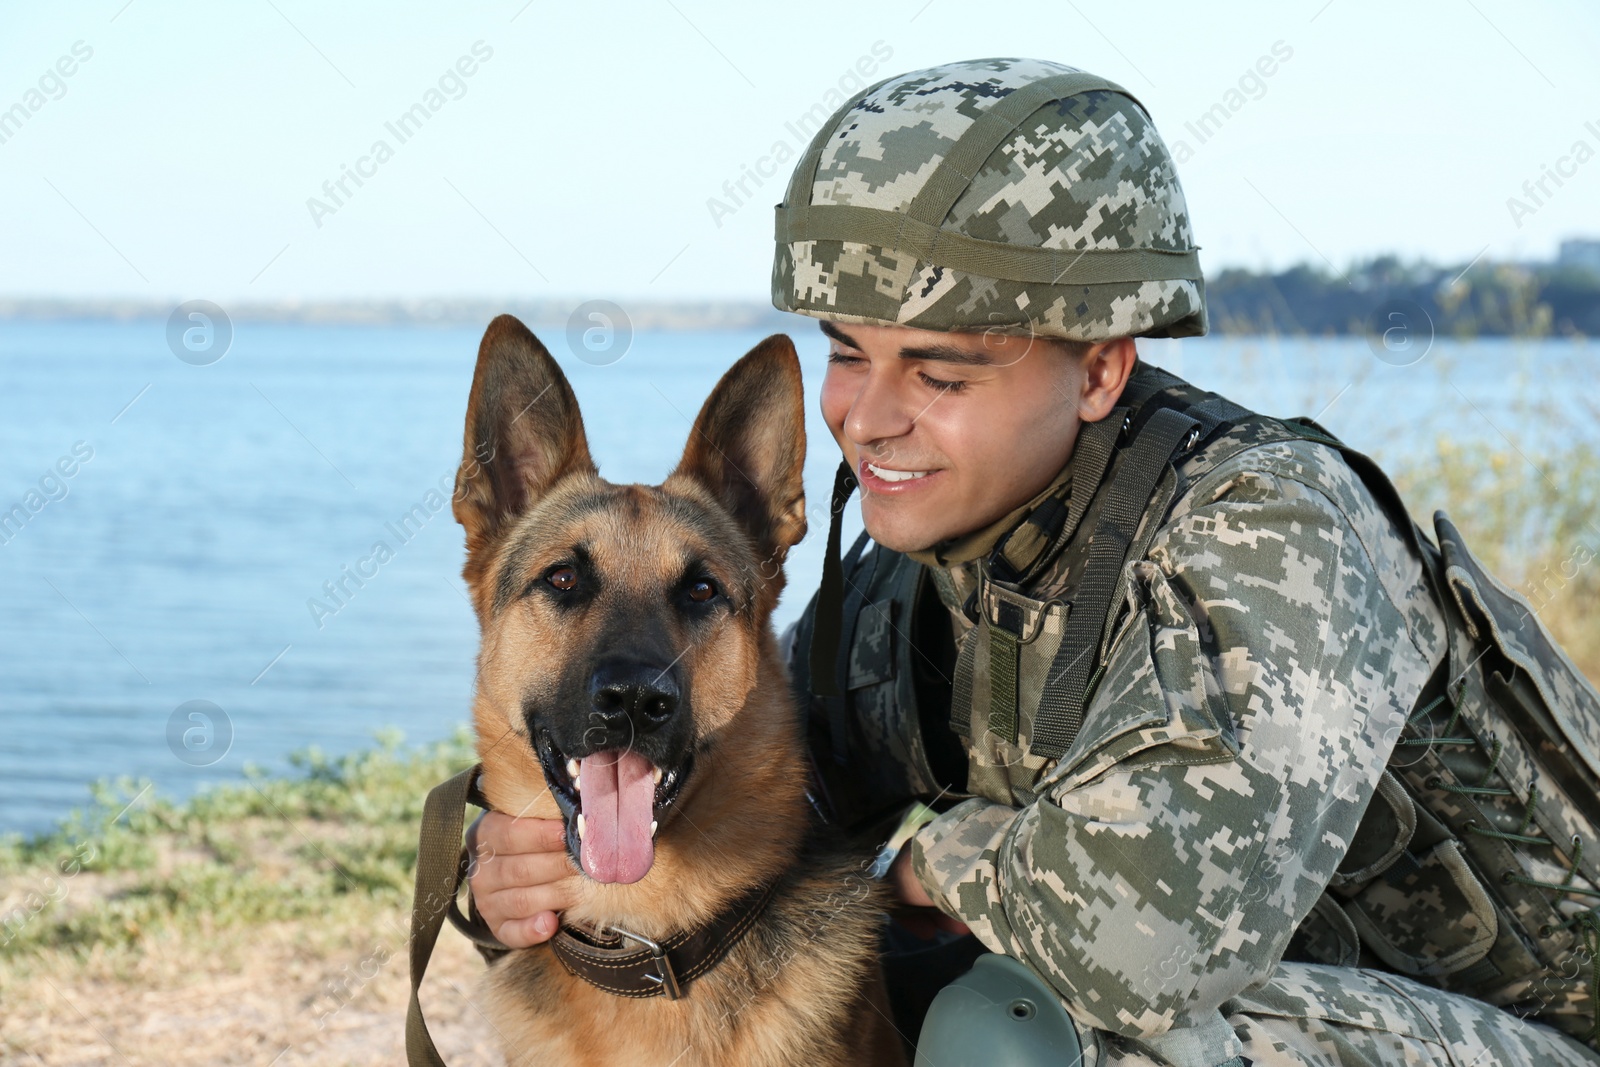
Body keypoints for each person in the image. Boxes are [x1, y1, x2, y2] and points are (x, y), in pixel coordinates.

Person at [465, 58, 1600, 1065]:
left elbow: (1143, 940)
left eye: (940, 375)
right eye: (851, 356)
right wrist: (521, 858)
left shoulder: (1270, 528)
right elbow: (781, 792)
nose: (868, 420)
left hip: (1500, 1022)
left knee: (1030, 1034)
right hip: (1293, 986)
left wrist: (934, 867)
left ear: (1099, 372)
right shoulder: (927, 560)